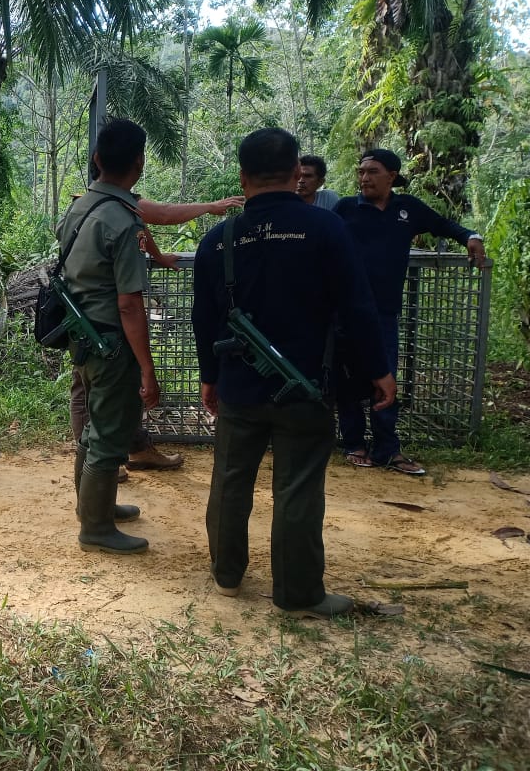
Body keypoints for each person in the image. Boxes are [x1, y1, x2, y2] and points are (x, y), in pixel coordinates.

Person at [192, 128, 396, 618]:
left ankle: (226, 575)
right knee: (298, 485)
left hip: (239, 386)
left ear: (242, 178)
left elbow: (204, 316)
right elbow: (357, 306)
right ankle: (298, 593)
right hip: (307, 387)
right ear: (294, 174)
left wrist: (209, 375)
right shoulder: (325, 230)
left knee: (230, 478)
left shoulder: (219, 240)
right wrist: (378, 370)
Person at [333, 148, 486, 475]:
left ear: (392, 176)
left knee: (384, 377)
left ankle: (387, 448)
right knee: (347, 378)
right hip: (344, 311)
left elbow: (445, 226)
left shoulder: (407, 209)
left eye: (372, 171)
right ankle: (353, 442)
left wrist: (471, 236)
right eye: (361, 171)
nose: (364, 177)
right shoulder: (345, 209)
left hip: (385, 313)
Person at [69, 192, 245, 472]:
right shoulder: (109, 202)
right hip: (105, 319)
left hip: (85, 315)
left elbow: (138, 223)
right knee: (97, 392)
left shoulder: (91, 205)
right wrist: (210, 206)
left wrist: (157, 255)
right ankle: (97, 467)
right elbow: (162, 213)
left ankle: (130, 451)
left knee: (110, 388)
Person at [59, 119, 161, 555]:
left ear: (97, 159)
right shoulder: (123, 221)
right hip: (112, 342)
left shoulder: (79, 207)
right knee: (106, 435)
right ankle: (96, 528)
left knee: (92, 431)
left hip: (81, 334)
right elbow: (129, 304)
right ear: (138, 164)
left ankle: (93, 508)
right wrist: (147, 367)